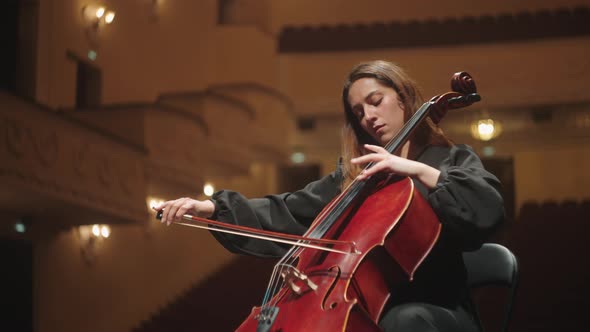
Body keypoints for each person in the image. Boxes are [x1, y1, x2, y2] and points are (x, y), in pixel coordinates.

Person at [154, 60, 505, 332]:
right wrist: (213, 207)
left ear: (403, 97)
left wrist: (415, 170)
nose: (368, 116)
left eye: (375, 101)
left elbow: (485, 209)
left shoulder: (449, 159)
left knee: (403, 320)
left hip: (435, 313)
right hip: (364, 308)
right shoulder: (358, 178)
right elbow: (289, 210)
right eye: (358, 112)